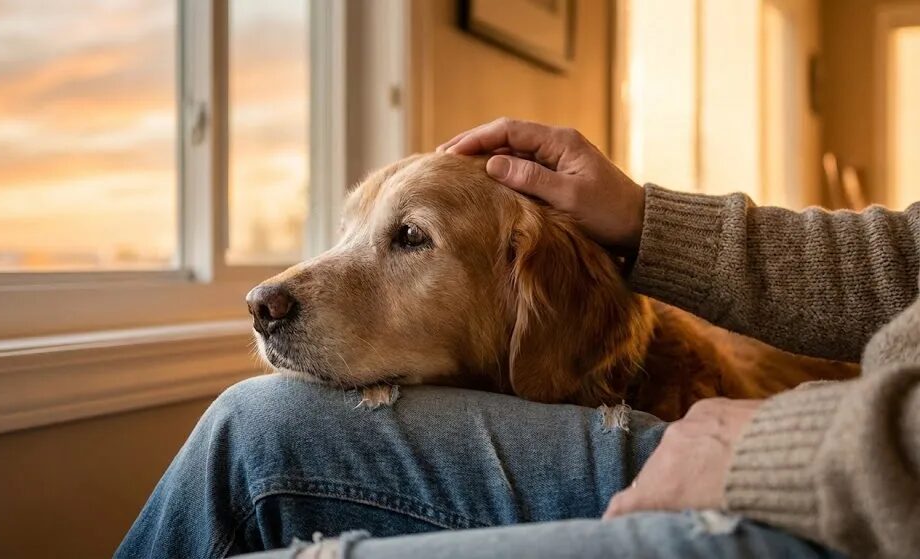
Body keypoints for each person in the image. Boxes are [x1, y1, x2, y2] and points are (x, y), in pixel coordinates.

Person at [116, 118, 919, 559]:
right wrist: (649, 219)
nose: (279, 296)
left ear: (541, 308)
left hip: (851, 463)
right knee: (252, 423)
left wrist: (804, 446)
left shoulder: (566, 317)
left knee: (256, 436)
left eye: (408, 240)